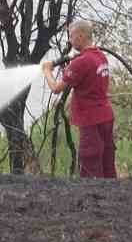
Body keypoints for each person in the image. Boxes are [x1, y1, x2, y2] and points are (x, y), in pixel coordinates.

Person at [40, 19, 116, 178]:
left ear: (81, 36)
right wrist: (68, 70)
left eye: (71, 35)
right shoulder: (100, 56)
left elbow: (56, 88)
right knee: (107, 162)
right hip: (106, 116)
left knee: (90, 164)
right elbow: (86, 80)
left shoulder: (81, 62)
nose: (69, 39)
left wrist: (47, 70)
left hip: (91, 119)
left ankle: (94, 201)